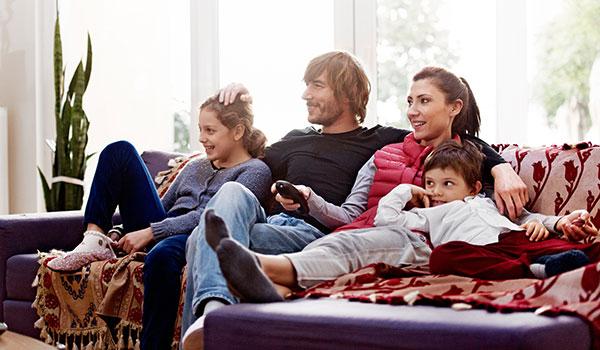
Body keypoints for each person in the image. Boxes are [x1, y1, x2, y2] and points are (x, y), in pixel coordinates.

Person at [181, 59, 526, 348]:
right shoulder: (297, 141)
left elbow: (456, 142)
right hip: (272, 224)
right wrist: (241, 103)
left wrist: (500, 165)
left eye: (316, 85)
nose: (306, 94)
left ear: (344, 93)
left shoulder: (381, 139)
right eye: (410, 102)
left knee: (202, 240)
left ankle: (211, 320)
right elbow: (241, 154)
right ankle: (214, 313)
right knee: (226, 202)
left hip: (313, 231)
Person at [206, 140, 599, 303]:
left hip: (506, 245)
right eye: (431, 183)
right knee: (350, 243)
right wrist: (405, 193)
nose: (439, 190)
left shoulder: (489, 202)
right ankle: (264, 269)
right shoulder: (427, 211)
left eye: (448, 183)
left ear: (474, 185)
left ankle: (265, 277)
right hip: (432, 246)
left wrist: (557, 224)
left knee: (560, 250)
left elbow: (533, 221)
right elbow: (386, 219)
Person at [47, 93, 272, 349]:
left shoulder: (255, 171)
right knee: (119, 151)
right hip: (164, 226)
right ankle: (95, 237)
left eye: (210, 130)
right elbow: (163, 206)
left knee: (162, 256)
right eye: (200, 129)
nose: (201, 138)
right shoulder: (196, 167)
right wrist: (120, 231)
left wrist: (152, 232)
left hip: (198, 235)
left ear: (238, 131)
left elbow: (214, 215)